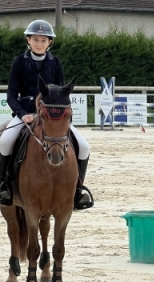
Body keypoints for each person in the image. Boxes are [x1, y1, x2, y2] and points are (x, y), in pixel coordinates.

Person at [0, 20, 94, 209]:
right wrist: (22, 114)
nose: (39, 43)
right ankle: (4, 186)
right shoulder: (19, 61)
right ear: (28, 40)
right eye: (35, 39)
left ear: (49, 42)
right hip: (25, 114)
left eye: (43, 40)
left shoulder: (55, 62)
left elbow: (61, 92)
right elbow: (11, 95)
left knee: (84, 146)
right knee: (4, 142)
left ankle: (78, 191)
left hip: (52, 117)